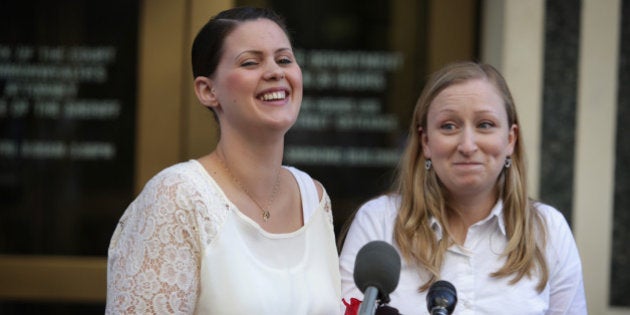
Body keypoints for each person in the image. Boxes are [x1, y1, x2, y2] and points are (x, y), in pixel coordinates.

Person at [106, 7, 341, 314]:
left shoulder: (313, 197)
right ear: (207, 90)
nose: (275, 72)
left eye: (284, 59)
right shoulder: (177, 197)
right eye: (250, 62)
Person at [339, 61, 587, 314]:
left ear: (510, 139)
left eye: (485, 125)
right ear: (426, 141)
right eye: (449, 126)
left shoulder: (548, 231)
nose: (467, 145)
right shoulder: (378, 222)